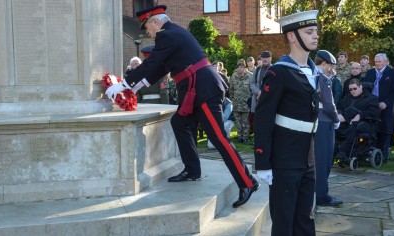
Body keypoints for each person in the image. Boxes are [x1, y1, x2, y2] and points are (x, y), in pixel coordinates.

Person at [105, 5, 258, 208]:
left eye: (147, 28)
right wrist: (131, 88)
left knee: (219, 138)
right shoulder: (172, 34)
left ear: (155, 22)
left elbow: (152, 64)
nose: (147, 33)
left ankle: (247, 182)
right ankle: (192, 170)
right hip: (194, 91)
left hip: (203, 91)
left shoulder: (167, 35)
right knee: (179, 123)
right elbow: (158, 69)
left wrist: (124, 84)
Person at [254, 10, 320, 236]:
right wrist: (262, 161)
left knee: (305, 219)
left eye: (316, 31)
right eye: (309, 32)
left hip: (307, 158)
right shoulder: (279, 72)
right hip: (284, 160)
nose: (315, 36)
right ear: (292, 36)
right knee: (284, 223)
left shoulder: (312, 71)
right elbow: (263, 118)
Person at [314, 50, 342, 207]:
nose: (330, 69)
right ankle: (322, 196)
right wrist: (336, 119)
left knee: (316, 160)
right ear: (323, 63)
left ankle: (316, 192)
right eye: (329, 66)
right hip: (324, 122)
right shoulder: (323, 79)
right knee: (324, 160)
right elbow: (329, 105)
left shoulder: (309, 75)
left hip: (313, 122)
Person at [362, 53, 394, 163]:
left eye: (379, 61)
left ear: (385, 61)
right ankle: (371, 155)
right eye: (376, 61)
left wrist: (385, 103)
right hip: (372, 106)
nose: (377, 64)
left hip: (386, 107)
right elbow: (365, 89)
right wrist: (369, 102)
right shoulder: (370, 73)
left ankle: (383, 157)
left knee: (385, 130)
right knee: (372, 130)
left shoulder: (393, 73)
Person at [335, 79, 380, 160]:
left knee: (354, 127)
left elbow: (375, 113)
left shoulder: (371, 98)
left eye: (355, 88)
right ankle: (332, 152)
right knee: (334, 127)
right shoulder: (347, 98)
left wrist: (361, 115)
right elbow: (339, 107)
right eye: (350, 89)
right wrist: (339, 114)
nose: (352, 91)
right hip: (346, 122)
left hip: (365, 123)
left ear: (361, 87)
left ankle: (344, 153)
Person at [249, 51, 272, 135]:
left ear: (270, 59)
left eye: (267, 57)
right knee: (257, 121)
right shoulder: (257, 69)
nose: (265, 59)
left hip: (269, 101)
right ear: (261, 59)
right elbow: (252, 83)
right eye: (263, 58)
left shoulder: (274, 69)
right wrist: (258, 92)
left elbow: (275, 85)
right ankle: (258, 140)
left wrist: (264, 94)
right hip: (257, 100)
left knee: (268, 122)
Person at [230, 60, 253, 143]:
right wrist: (233, 100)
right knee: (238, 122)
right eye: (239, 67)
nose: (240, 69)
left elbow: (252, 90)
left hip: (246, 104)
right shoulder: (233, 77)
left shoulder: (250, 76)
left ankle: (245, 137)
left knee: (246, 122)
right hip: (236, 103)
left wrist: (250, 102)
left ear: (244, 68)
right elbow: (231, 90)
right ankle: (240, 136)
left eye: (242, 67)